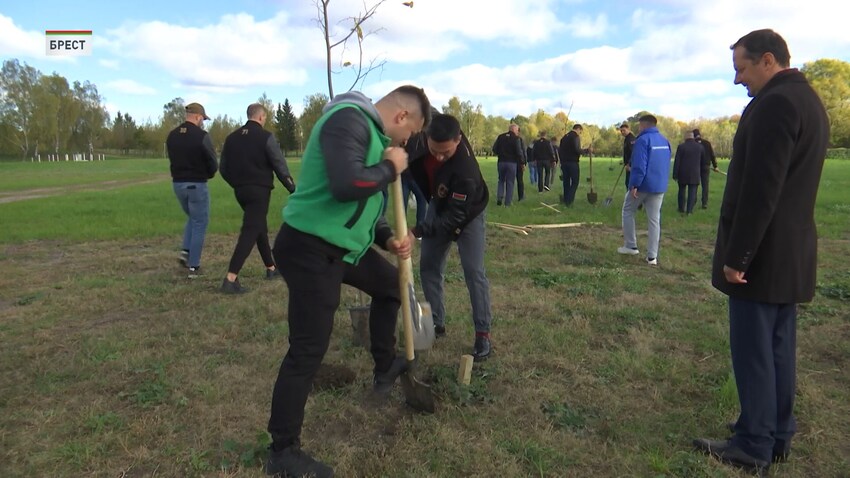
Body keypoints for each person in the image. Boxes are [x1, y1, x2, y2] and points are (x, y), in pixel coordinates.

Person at [264, 85, 431, 478]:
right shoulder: (348, 120)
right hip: (309, 248)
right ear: (402, 116)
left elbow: (365, 208)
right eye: (410, 134)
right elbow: (346, 185)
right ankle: (282, 451)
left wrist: (388, 237)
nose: (406, 143)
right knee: (308, 349)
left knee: (391, 287)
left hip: (340, 248)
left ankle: (384, 365)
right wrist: (390, 167)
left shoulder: (372, 137)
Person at [692, 29, 829, 474]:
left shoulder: (776, 104)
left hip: (762, 258)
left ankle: (753, 443)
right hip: (789, 254)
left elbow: (762, 190)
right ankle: (776, 433)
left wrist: (738, 257)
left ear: (768, 60)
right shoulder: (808, 100)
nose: (738, 80)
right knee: (778, 348)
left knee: (754, 351)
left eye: (741, 68)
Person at [406, 113, 493, 361]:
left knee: (473, 270)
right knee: (429, 266)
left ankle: (483, 333)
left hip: (468, 212)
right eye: (435, 150)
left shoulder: (466, 172)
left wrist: (418, 231)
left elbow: (453, 220)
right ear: (426, 137)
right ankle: (436, 323)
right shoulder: (418, 139)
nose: (439, 157)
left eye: (446, 153)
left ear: (458, 140)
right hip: (439, 202)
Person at [219, 103, 296, 294]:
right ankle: (231, 278)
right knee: (250, 230)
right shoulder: (266, 137)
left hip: (240, 191)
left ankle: (271, 268)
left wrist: (236, 183)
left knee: (258, 226)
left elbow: (223, 168)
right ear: (261, 117)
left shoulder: (231, 138)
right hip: (259, 191)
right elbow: (279, 163)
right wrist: (291, 186)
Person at [166, 102, 218, 279]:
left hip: (178, 184)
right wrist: (209, 174)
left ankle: (186, 251)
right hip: (197, 184)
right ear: (197, 117)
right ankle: (194, 267)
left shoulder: (172, 136)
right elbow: (212, 160)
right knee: (199, 222)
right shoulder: (202, 136)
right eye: (203, 119)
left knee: (193, 217)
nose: (203, 122)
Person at [617, 114, 671, 265]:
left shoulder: (642, 140)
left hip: (643, 185)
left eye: (639, 125)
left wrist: (634, 185)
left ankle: (630, 245)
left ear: (643, 125)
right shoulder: (664, 140)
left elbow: (639, 165)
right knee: (654, 220)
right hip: (659, 186)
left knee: (627, 210)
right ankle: (652, 257)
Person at [672, 130, 706, 215]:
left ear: (685, 137)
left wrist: (675, 174)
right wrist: (701, 172)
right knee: (692, 192)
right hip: (695, 173)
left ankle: (681, 208)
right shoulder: (700, 147)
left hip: (683, 172)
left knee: (681, 191)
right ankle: (689, 210)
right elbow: (703, 162)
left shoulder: (681, 147)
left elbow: (677, 161)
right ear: (693, 137)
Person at [558, 124, 591, 206]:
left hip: (564, 163)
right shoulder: (575, 137)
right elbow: (577, 150)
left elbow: (559, 150)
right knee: (575, 182)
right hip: (572, 163)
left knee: (566, 182)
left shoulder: (564, 137)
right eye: (580, 131)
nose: (580, 133)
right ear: (578, 129)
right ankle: (569, 201)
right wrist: (587, 150)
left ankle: (565, 199)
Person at [491, 124, 523, 206]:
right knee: (510, 182)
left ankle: (499, 197)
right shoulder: (516, 139)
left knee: (501, 180)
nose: (517, 132)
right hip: (512, 163)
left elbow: (494, 149)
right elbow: (519, 152)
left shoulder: (500, 137)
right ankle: (508, 202)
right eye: (517, 130)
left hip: (501, 162)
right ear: (514, 130)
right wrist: (521, 162)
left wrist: (500, 154)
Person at [693, 128, 719, 208]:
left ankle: (693, 201)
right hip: (706, 166)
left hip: (695, 167)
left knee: (695, 185)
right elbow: (712, 155)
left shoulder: (693, 144)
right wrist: (715, 166)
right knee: (705, 185)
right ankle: (704, 203)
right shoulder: (707, 143)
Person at [619, 123, 636, 188]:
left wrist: (629, 164)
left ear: (628, 129)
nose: (622, 132)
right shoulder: (627, 138)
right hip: (628, 165)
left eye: (624, 130)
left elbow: (633, 152)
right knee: (627, 182)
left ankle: (631, 197)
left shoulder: (631, 139)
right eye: (621, 131)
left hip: (631, 165)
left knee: (629, 183)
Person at [516, 131, 527, 202]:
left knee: (507, 181)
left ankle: (503, 197)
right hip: (518, 162)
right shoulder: (519, 139)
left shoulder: (503, 138)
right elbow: (522, 151)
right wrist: (523, 162)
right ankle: (521, 196)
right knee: (520, 180)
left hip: (507, 161)